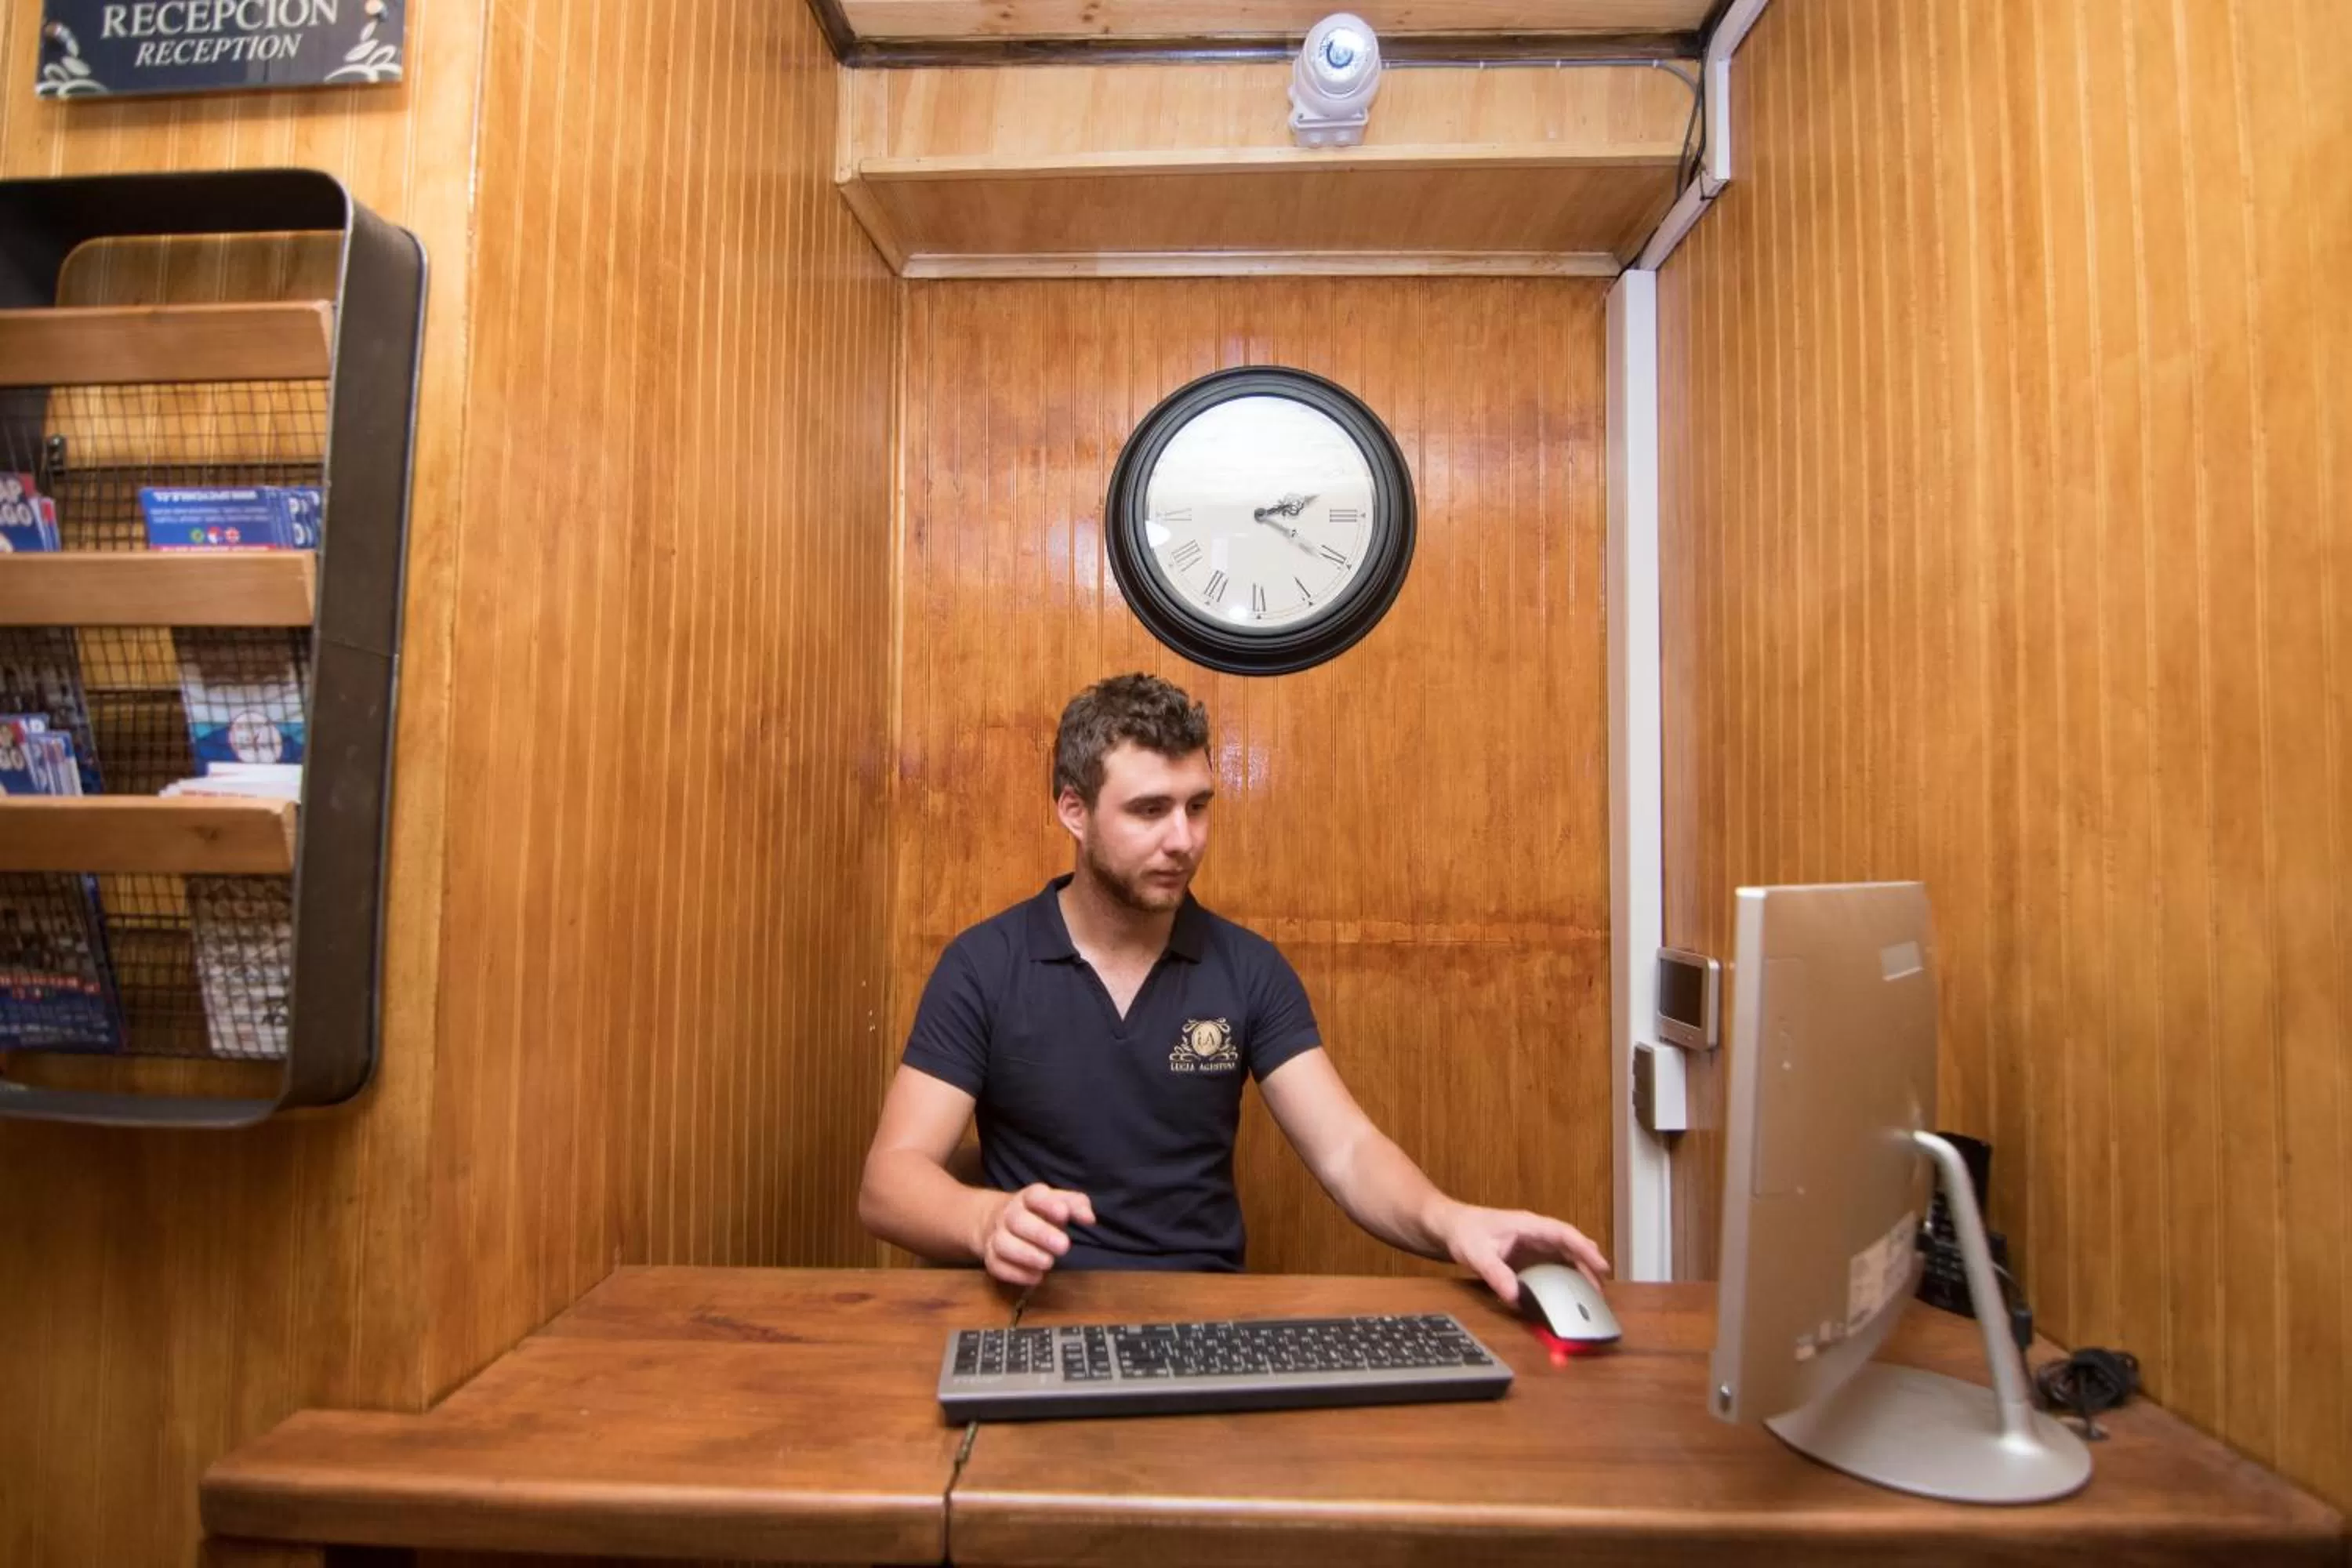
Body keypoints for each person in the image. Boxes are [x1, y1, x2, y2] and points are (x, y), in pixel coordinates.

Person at [858, 673, 1609, 1305]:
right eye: (1150, 810)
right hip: (1037, 1316)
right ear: (1073, 811)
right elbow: (890, 1182)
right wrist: (985, 1221)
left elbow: (1347, 1150)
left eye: (1198, 805)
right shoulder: (985, 965)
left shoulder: (1246, 969)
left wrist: (1451, 1222)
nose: (1183, 839)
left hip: (1205, 1315)